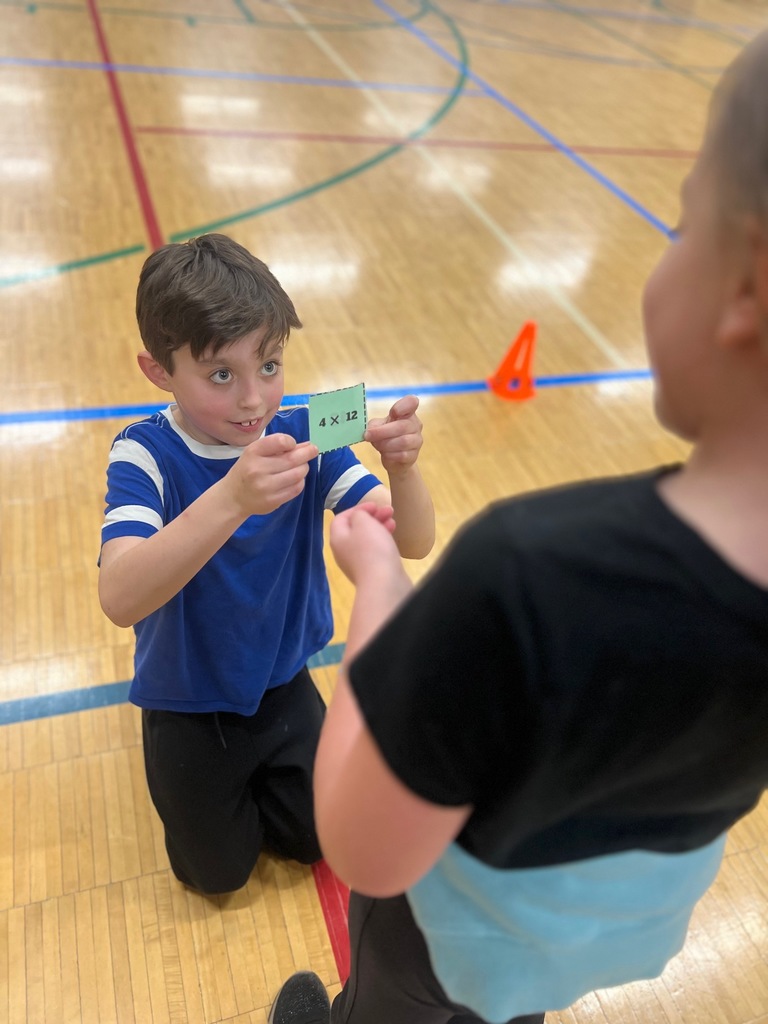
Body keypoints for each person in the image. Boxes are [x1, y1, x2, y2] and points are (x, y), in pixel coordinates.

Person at [268, 29, 768, 1024]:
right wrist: (352, 425)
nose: (253, 393)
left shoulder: (530, 577)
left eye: (681, 224)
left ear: (747, 285)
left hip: (440, 934)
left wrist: (379, 582)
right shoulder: (172, 442)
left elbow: (364, 847)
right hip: (566, 946)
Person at [98, 233, 435, 895]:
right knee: (216, 875)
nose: (255, 399)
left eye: (271, 364)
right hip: (187, 702)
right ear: (158, 370)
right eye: (222, 375)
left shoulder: (308, 420)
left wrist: (403, 467)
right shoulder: (141, 451)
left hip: (282, 683)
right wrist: (232, 498)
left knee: (320, 840)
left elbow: (413, 541)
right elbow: (119, 596)